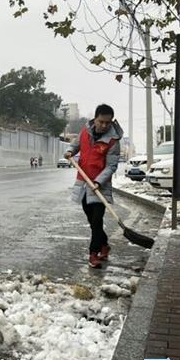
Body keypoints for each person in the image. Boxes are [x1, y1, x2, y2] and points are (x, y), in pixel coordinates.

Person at [64, 104, 123, 269]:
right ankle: (104, 244)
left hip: (99, 186)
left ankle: (93, 254)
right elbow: (76, 145)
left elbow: (111, 166)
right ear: (95, 119)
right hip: (83, 183)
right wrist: (70, 151)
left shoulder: (113, 141)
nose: (104, 125)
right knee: (92, 221)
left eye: (108, 123)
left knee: (97, 220)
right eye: (101, 122)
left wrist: (98, 181)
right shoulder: (85, 131)